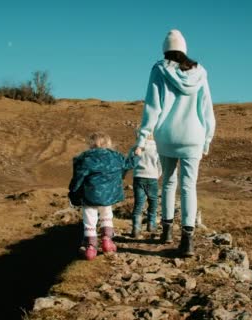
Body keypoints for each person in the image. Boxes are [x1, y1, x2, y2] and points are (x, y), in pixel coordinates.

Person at [135, 29, 216, 257]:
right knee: (189, 186)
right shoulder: (200, 73)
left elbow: (152, 107)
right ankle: (187, 240)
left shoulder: (159, 70)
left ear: (165, 49)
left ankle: (167, 231)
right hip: (194, 137)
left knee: (169, 183)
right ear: (184, 49)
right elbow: (206, 108)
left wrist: (143, 138)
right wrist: (207, 138)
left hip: (167, 137)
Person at [69, 132, 140, 260]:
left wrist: (73, 192)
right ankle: (107, 241)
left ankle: (91, 248)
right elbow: (129, 164)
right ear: (108, 143)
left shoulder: (85, 159)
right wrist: (137, 156)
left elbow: (78, 179)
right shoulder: (116, 157)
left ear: (91, 144)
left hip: (90, 196)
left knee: (89, 221)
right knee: (107, 216)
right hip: (109, 195)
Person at [129, 129, 161, 238]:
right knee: (153, 201)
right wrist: (158, 174)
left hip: (138, 177)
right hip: (152, 177)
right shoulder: (157, 148)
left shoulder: (135, 148)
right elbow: (160, 163)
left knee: (139, 203)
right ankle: (151, 224)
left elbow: (129, 161)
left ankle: (136, 227)